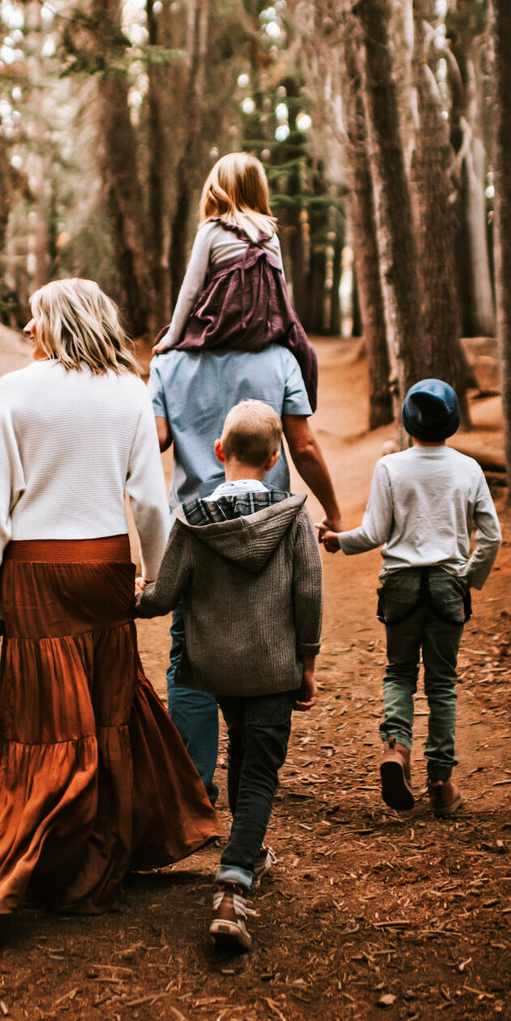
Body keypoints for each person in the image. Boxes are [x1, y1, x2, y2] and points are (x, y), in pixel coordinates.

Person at [0, 278, 218, 927]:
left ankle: (28, 866)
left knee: (44, 721)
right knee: (108, 709)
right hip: (107, 568)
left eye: (34, 318)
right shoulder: (128, 390)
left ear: (60, 321)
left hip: (38, 575)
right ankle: (98, 866)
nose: (26, 330)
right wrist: (158, 578)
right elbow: (148, 498)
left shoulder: (16, 391)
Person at [137, 401, 322, 952]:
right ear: (273, 459)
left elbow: (164, 597)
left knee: (242, 751)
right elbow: (308, 594)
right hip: (271, 666)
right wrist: (307, 663)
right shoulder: (292, 518)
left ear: (219, 453)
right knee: (260, 769)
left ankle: (251, 848)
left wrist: (125, 596)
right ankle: (234, 883)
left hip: (214, 666)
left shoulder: (192, 521)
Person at [151, 340, 342, 800]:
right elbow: (305, 443)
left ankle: (194, 790)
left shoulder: (168, 362)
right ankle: (252, 776)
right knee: (263, 637)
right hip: (270, 525)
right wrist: (334, 512)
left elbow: (153, 439)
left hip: (196, 527)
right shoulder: (280, 358)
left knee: (188, 657)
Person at [322, 379, 500, 817]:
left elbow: (374, 534)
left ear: (407, 421)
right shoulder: (469, 469)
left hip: (400, 587)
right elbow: (492, 537)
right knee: (441, 685)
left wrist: (337, 540)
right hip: (446, 586)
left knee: (399, 672)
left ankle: (397, 748)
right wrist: (468, 579)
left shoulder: (391, 467)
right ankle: (440, 782)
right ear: (454, 421)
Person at [153, 152, 318, 409]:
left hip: (221, 325)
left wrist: (173, 336)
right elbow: (280, 292)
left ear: (219, 188)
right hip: (262, 329)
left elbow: (192, 288)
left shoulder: (212, 229)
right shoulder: (270, 234)